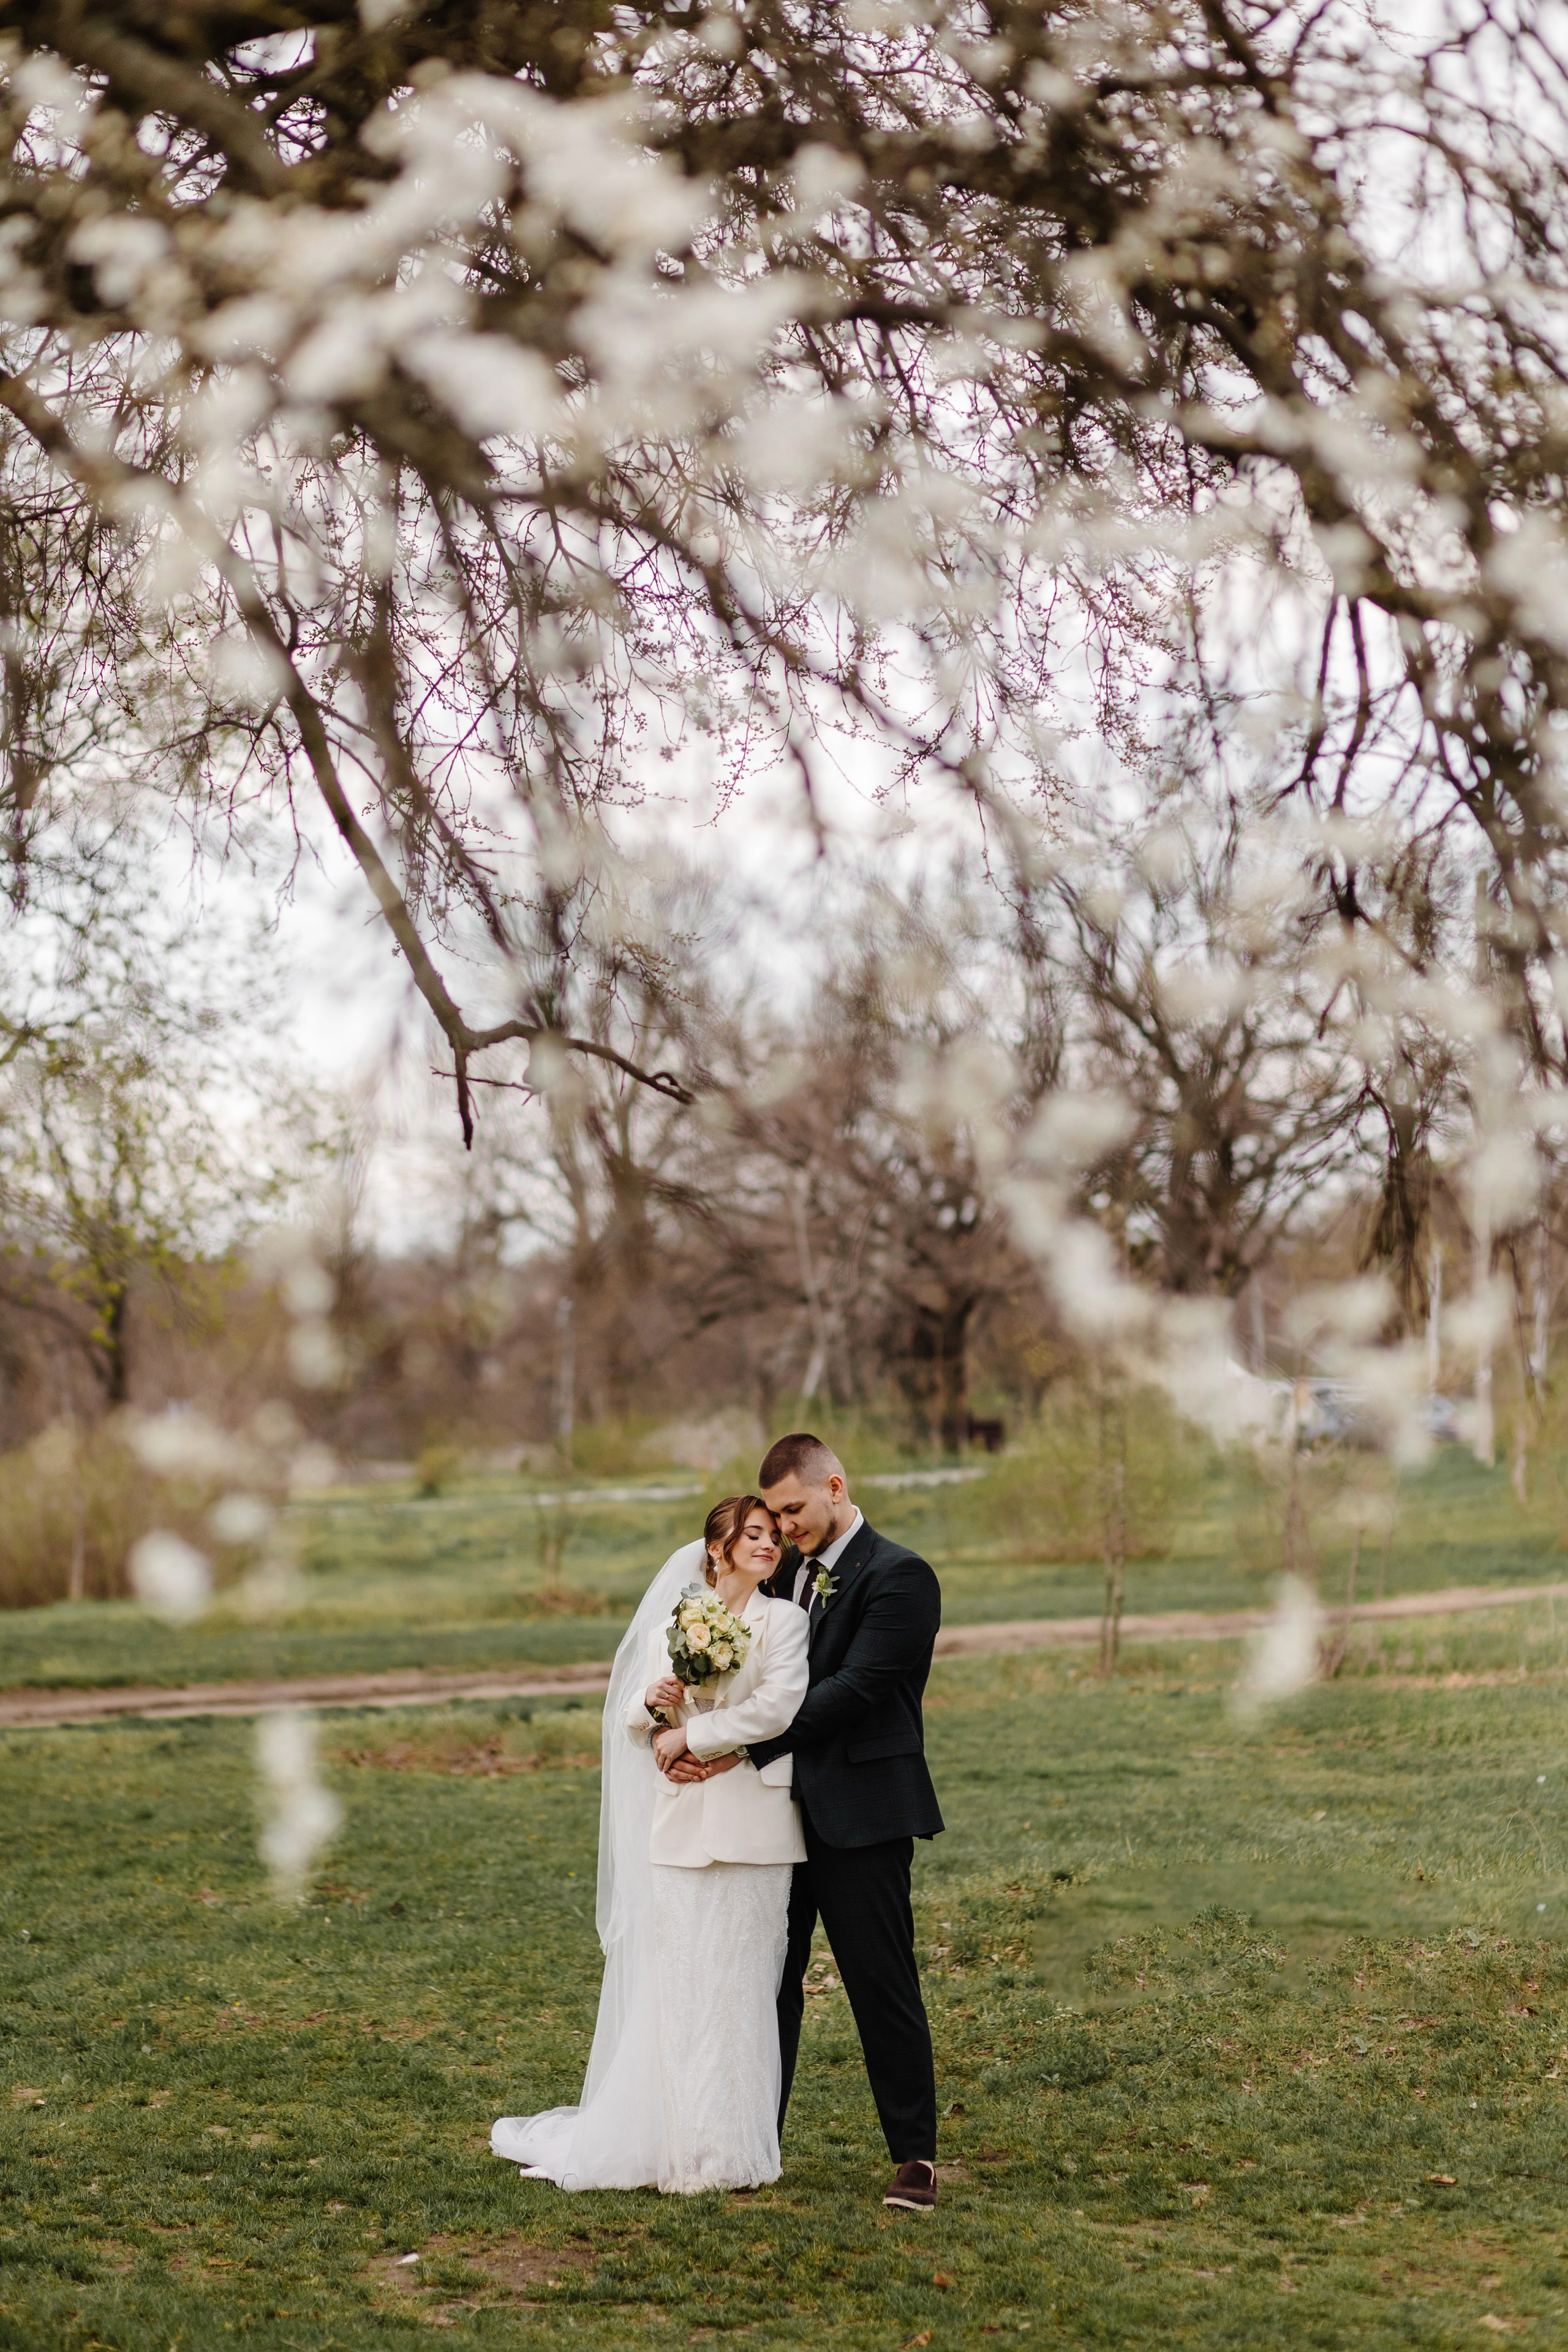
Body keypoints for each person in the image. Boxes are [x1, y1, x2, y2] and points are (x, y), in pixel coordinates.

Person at [490, 1494, 809, 2193]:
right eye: (752, 1535)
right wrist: (653, 1705)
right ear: (717, 1550)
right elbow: (632, 1711)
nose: (768, 1545)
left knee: (742, 1995)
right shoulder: (678, 1619)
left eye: (772, 1537)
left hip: (755, 1834)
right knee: (682, 1992)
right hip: (678, 1827)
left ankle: (732, 2153)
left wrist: (685, 1736)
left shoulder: (784, 1621)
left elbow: (776, 1708)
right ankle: (678, 2149)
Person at [668, 1431, 943, 2211]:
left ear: (834, 1485)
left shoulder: (901, 1576)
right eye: (777, 1516)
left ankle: (915, 2157)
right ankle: (758, 2139)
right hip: (770, 1821)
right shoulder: (777, 1574)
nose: (784, 1527)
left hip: (862, 1815)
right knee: (766, 1986)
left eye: (793, 1510)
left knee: (879, 1984)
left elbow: (853, 1690)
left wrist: (732, 1749)